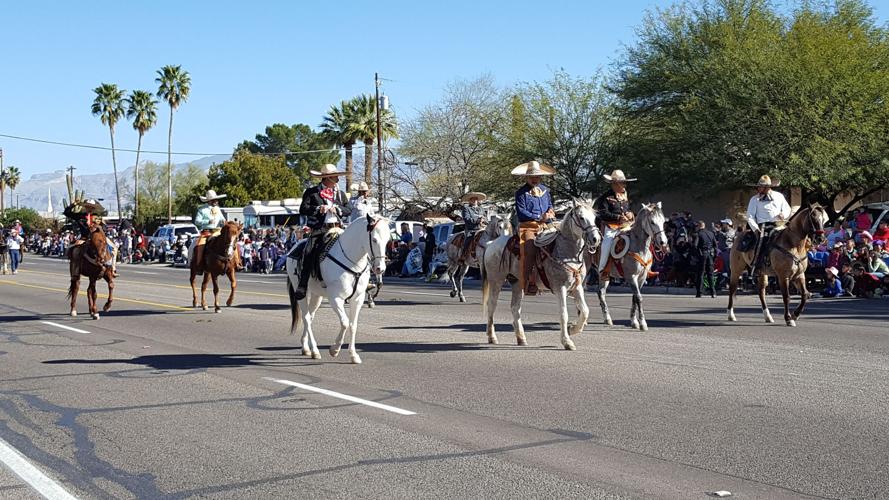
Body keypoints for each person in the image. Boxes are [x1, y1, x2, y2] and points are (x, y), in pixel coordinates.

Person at [293, 164, 351, 300]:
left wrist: (338, 210)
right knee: (309, 251)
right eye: (335, 177)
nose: (338, 179)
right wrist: (318, 209)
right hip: (320, 229)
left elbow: (349, 209)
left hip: (338, 228)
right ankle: (303, 284)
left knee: (353, 247)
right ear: (328, 178)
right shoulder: (312, 192)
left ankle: (358, 280)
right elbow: (303, 209)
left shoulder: (340, 194)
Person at [513, 161, 556, 295]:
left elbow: (550, 205)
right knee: (530, 249)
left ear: (540, 177)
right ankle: (527, 282)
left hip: (546, 225)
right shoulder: (520, 193)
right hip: (528, 226)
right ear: (527, 178)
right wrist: (539, 217)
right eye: (532, 177)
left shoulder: (545, 190)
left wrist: (550, 212)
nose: (534, 179)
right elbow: (521, 212)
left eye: (537, 176)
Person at [594, 169, 637, 279]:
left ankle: (643, 265)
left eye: (624, 183)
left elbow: (627, 209)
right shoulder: (605, 197)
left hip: (626, 225)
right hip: (611, 226)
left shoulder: (624, 196)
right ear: (615, 184)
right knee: (606, 244)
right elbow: (603, 213)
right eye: (622, 183)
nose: (625, 185)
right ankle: (603, 270)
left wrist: (630, 214)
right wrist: (618, 217)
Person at [745, 174, 791, 273]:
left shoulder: (779, 196)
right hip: (763, 226)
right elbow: (750, 216)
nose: (758, 188)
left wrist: (783, 214)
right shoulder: (754, 199)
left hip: (779, 225)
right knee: (761, 241)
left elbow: (787, 209)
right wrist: (755, 229)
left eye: (760, 187)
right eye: (758, 186)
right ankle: (756, 265)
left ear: (767, 187)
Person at [63, 199, 117, 276]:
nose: (90, 208)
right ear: (85, 207)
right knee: (74, 250)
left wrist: (98, 228)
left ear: (94, 208)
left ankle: (112, 269)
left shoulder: (98, 217)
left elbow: (105, 227)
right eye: (88, 206)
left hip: (98, 238)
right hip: (85, 238)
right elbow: (67, 213)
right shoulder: (80, 216)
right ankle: (75, 272)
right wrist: (73, 205)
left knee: (114, 249)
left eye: (92, 207)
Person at [192, 189, 232, 274]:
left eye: (216, 199)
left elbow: (222, 219)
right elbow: (197, 221)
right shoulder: (202, 209)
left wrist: (224, 222)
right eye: (215, 200)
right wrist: (207, 221)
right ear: (210, 200)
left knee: (231, 243)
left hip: (218, 231)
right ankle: (199, 265)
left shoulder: (217, 209)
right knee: (200, 246)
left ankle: (236, 263)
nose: (216, 201)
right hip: (206, 232)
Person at [459, 191, 486, 261]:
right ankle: (463, 255)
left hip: (482, 228)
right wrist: (478, 220)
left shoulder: (481, 209)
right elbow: (467, 219)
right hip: (471, 229)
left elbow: (485, 218)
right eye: (473, 199)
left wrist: (485, 221)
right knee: (468, 240)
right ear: (469, 200)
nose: (475, 201)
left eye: (476, 199)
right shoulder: (466, 209)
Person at [694, 220, 717, 298]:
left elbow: (695, 246)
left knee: (701, 274)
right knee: (710, 274)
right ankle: (713, 292)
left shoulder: (699, 234)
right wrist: (714, 256)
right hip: (710, 255)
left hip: (702, 255)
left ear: (699, 226)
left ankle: (699, 292)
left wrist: (697, 255)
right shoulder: (711, 233)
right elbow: (715, 246)